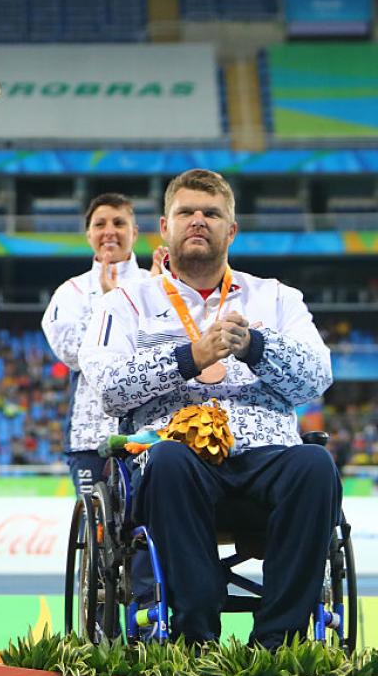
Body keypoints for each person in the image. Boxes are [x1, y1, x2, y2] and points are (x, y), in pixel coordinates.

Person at [79, 169, 338, 648]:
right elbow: (109, 388)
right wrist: (188, 358)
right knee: (170, 461)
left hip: (267, 453)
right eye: (186, 212)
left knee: (316, 465)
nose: (199, 221)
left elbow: (318, 376)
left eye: (212, 213)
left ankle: (278, 644)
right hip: (174, 453)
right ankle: (196, 638)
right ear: (165, 226)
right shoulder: (124, 304)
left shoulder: (277, 298)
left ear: (231, 230)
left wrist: (257, 347)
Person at [42, 193, 159, 497]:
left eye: (119, 223)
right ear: (89, 234)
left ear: (134, 233)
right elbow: (71, 353)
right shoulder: (70, 292)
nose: (110, 231)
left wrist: (159, 292)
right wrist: (112, 304)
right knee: (95, 526)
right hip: (89, 435)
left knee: (149, 523)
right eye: (100, 224)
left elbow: (167, 348)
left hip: (151, 430)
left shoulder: (157, 285)